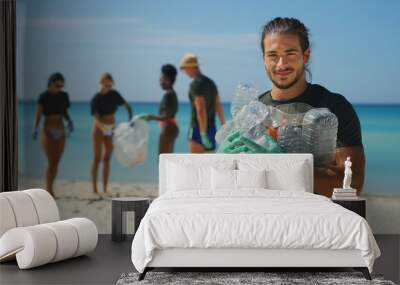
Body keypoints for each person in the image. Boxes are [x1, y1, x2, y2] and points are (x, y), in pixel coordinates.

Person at [222, 17, 365, 197]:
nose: (281, 64)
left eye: (290, 53)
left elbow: (354, 183)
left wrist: (282, 166)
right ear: (264, 58)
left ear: (306, 55)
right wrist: (224, 162)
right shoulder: (253, 111)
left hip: (313, 218)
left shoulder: (333, 107)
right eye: (273, 55)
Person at [90, 73, 132, 196]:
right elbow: (96, 118)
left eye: (110, 84)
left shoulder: (114, 94)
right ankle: (94, 189)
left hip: (111, 128)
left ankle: (105, 188)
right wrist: (103, 128)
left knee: (107, 159)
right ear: (101, 82)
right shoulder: (96, 98)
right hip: (99, 128)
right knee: (97, 158)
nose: (108, 86)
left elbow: (127, 106)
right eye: (105, 83)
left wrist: (130, 121)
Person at [32, 72, 74, 197]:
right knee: (51, 161)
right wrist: (34, 128)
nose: (60, 88)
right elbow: (38, 114)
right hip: (48, 130)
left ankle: (50, 188)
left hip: (61, 129)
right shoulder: (43, 96)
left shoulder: (64, 95)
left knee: (56, 161)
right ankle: (49, 189)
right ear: (50, 83)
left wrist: (70, 121)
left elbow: (64, 111)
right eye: (57, 85)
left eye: (62, 86)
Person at [180, 53, 225, 153]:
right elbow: (218, 105)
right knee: (208, 165)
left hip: (198, 129)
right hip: (212, 128)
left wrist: (202, 133)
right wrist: (223, 125)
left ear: (191, 67)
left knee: (195, 165)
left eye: (185, 68)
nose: (185, 72)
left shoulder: (195, 84)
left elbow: (200, 109)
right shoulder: (211, 82)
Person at [137, 64, 179, 155]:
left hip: (168, 128)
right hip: (172, 127)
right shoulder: (173, 94)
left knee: (162, 160)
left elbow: (166, 117)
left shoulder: (168, 95)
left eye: (161, 79)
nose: (159, 82)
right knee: (168, 160)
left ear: (167, 80)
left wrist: (149, 116)